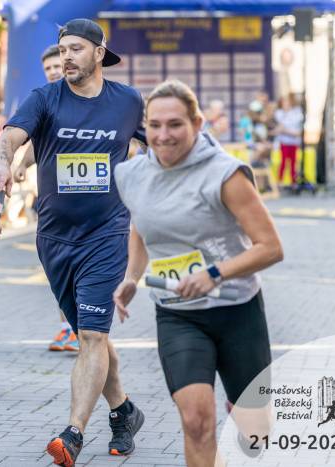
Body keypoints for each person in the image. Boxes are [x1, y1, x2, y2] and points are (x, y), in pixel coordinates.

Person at [0, 19, 147, 465]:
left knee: (93, 333)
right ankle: (124, 412)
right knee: (89, 335)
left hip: (108, 233)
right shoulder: (44, 99)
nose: (67, 57)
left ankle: (73, 433)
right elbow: (9, 138)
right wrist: (2, 163)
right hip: (55, 238)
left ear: (99, 52)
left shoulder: (127, 101)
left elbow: (161, 145)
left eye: (76, 49)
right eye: (62, 50)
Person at [113, 80, 284, 467]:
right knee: (195, 421)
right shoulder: (132, 174)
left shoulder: (225, 175)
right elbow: (141, 225)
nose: (163, 135)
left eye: (175, 124)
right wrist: (131, 276)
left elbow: (271, 247)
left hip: (237, 310)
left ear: (197, 123)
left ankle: (245, 412)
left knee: (256, 433)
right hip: (178, 314)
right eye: (155, 125)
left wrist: (215, 274)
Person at [12, 44, 79, 353]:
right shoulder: (44, 100)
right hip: (53, 201)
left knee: (80, 269)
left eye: (57, 66)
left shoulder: (85, 99)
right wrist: (22, 165)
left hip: (87, 202)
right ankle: (68, 327)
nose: (53, 72)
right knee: (59, 269)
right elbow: (35, 139)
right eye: (48, 69)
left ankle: (80, 328)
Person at [272, 93, 303, 186]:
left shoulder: (295, 113)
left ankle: (293, 182)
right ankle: (280, 181)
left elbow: (295, 130)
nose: (286, 104)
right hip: (284, 142)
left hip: (293, 142)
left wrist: (285, 130)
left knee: (293, 162)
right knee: (283, 162)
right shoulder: (279, 113)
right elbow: (279, 128)